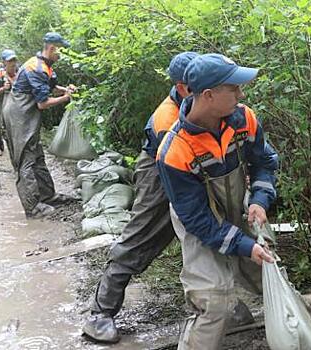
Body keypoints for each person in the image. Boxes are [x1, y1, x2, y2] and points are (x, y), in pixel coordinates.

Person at [82, 52, 206, 344]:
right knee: (140, 238)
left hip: (192, 170)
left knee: (205, 240)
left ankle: (220, 305)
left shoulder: (203, 103)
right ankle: (100, 313)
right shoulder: (167, 119)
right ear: (183, 86)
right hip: (160, 173)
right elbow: (181, 164)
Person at [156, 53, 278, 349]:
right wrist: (244, 246)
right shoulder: (174, 150)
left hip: (240, 207)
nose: (241, 94)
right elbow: (198, 219)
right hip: (198, 221)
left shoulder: (244, 118)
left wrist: (260, 199)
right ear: (208, 95)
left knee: (270, 272)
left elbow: (264, 161)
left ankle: (310, 330)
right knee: (213, 297)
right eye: (234, 88)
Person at [2, 32, 77, 219]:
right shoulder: (36, 68)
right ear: (52, 49)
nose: (62, 56)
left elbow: (49, 85)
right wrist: (65, 98)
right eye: (61, 52)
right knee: (25, 159)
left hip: (27, 114)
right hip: (19, 114)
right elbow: (42, 103)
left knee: (37, 155)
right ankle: (32, 208)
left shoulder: (45, 65)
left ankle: (48, 195)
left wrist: (64, 89)